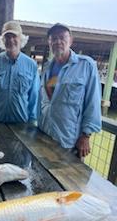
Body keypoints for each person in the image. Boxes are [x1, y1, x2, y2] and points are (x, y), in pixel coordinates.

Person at [38, 23, 101, 158]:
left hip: (68, 141)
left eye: (62, 37)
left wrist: (86, 136)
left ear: (71, 41)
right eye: (53, 39)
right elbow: (45, 100)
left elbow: (93, 102)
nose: (58, 42)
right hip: (44, 135)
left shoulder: (86, 65)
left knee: (67, 178)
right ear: (49, 43)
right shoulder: (47, 68)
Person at [0, 21, 40, 123]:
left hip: (21, 126)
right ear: (2, 40)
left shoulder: (31, 65)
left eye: (14, 36)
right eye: (7, 37)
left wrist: (32, 125)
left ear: (21, 39)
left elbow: (34, 99)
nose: (11, 40)